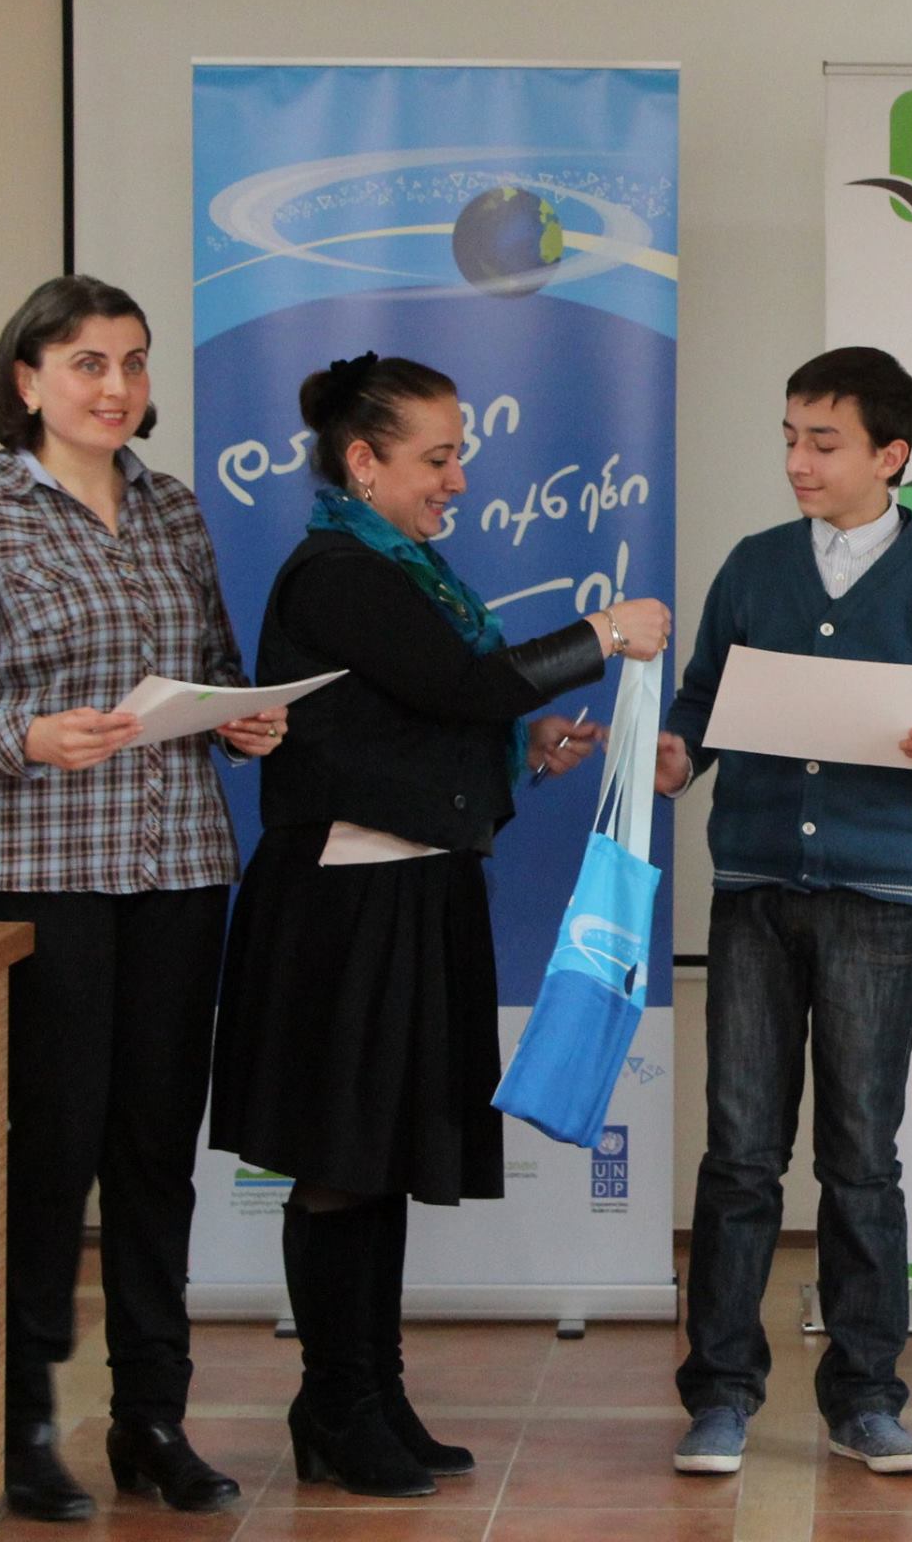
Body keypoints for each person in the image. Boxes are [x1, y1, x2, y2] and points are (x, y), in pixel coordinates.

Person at [208, 352, 672, 1499]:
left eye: (457, 454)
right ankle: (335, 1401)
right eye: (437, 456)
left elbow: (420, 712)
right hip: (343, 902)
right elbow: (460, 686)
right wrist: (601, 634)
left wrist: (524, 743)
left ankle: (371, 1393)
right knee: (339, 1162)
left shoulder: (401, 568)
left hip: (410, 890)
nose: (457, 478)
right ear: (362, 462)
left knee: (377, 1161)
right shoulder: (337, 571)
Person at [0, 275, 287, 1522]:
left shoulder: (173, 508)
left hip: (177, 871)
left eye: (133, 361)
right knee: (48, 1156)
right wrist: (26, 735)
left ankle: (151, 1419)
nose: (116, 387)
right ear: (28, 380)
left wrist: (241, 718)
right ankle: (16, 1425)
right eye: (87, 364)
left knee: (156, 1152)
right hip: (36, 878)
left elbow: (208, 668)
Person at [656, 346, 912, 1477]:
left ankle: (865, 1398)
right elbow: (699, 702)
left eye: (822, 441)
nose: (797, 460)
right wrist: (676, 755)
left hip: (876, 904)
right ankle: (719, 1396)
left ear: (891, 454)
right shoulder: (754, 565)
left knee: (861, 1156)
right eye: (788, 436)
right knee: (739, 1156)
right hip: (752, 893)